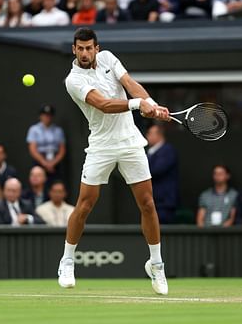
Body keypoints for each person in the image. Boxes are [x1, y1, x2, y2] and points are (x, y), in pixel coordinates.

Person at [59, 28, 170, 294]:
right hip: (101, 146)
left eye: (89, 48)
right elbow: (103, 104)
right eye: (80, 48)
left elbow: (130, 84)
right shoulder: (73, 80)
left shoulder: (109, 58)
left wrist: (151, 103)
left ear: (97, 48)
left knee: (147, 203)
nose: (85, 53)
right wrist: (137, 105)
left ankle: (156, 265)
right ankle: (67, 260)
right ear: (74, 50)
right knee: (85, 205)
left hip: (130, 142)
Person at [146, 124, 179, 224]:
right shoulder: (150, 152)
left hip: (164, 202)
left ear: (159, 135)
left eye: (150, 133)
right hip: (152, 200)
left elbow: (157, 170)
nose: (147, 136)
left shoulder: (167, 150)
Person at [26, 105, 66, 183]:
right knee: (38, 182)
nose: (47, 117)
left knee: (55, 183)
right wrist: (45, 163)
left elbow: (62, 150)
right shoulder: (34, 130)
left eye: (49, 115)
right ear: (40, 116)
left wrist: (52, 163)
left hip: (55, 161)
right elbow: (32, 149)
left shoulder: (58, 130)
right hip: (39, 160)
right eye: (45, 115)